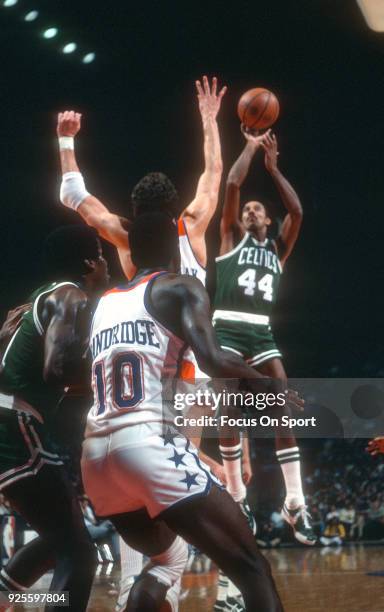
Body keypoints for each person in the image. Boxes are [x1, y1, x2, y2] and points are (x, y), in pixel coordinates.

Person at [56, 76, 227, 611]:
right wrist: (208, 119)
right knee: (184, 481)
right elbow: (214, 173)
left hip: (134, 371)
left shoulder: (128, 237)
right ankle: (185, 585)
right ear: (174, 205)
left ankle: (149, 584)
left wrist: (66, 140)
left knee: (144, 495)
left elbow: (75, 198)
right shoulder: (194, 224)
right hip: (189, 374)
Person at [81, 211, 286, 612]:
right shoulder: (180, 286)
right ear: (176, 248)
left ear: (133, 252)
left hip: (96, 463)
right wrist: (270, 388)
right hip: (147, 445)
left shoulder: (103, 304)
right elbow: (213, 359)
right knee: (251, 568)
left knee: (167, 560)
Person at [212, 127, 316, 545]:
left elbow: (298, 212)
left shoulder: (277, 249)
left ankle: (295, 504)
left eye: (258, 210)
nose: (251, 212)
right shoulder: (230, 237)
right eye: (248, 210)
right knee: (230, 412)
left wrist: (274, 169)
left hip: (261, 333)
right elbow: (233, 182)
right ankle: (237, 496)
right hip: (227, 327)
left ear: (268, 221)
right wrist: (251, 148)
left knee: (284, 407)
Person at [0, 225, 109, 611]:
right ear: (87, 262)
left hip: (13, 419)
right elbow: (55, 368)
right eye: (100, 253)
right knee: (79, 555)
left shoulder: (36, 300)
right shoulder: (71, 295)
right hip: (15, 424)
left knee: (59, 540)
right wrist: (102, 378)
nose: (105, 263)